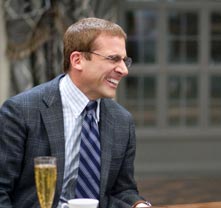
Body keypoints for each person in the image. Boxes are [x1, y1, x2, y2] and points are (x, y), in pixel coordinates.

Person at [0, 17, 151, 207]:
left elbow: (122, 190)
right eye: (113, 59)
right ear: (77, 60)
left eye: (125, 61)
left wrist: (138, 205)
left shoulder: (122, 120)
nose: (123, 70)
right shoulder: (21, 111)